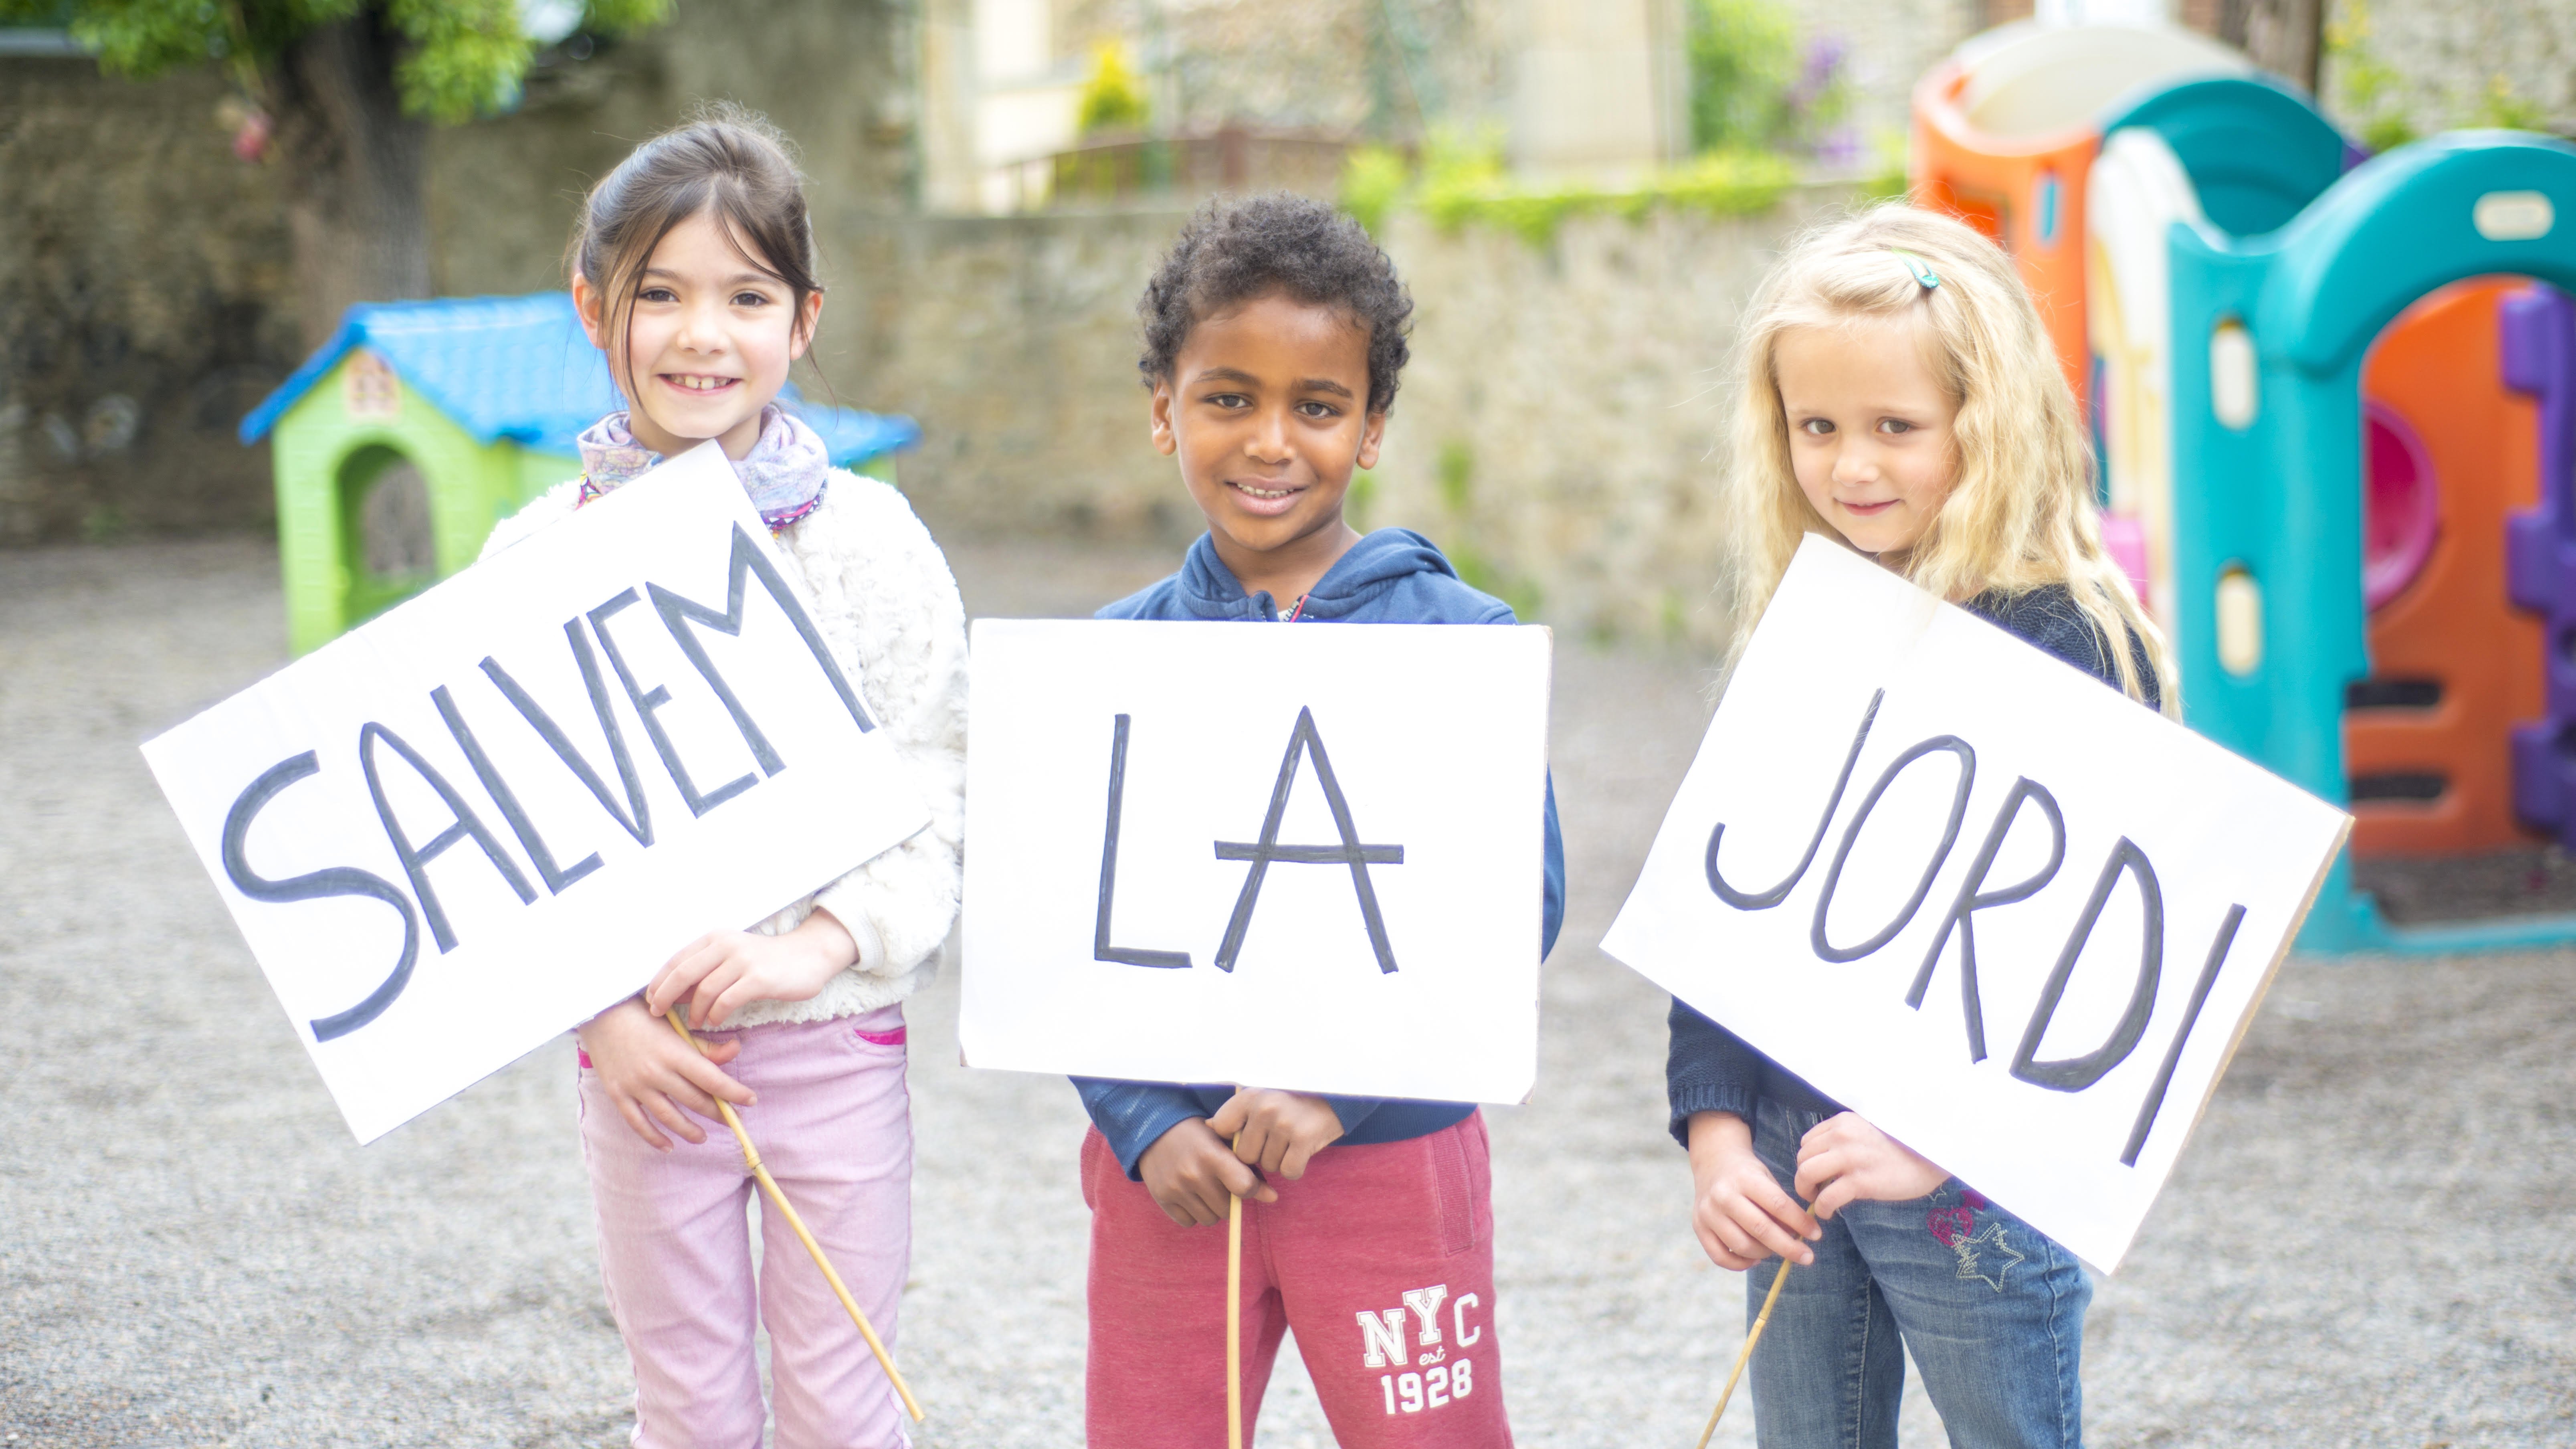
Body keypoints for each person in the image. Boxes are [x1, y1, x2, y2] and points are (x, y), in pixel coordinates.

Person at [479, 108, 964, 1449]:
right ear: (596, 309)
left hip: (832, 1047)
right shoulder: (530, 561)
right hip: (646, 1067)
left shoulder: (870, 542)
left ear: (802, 320)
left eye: (745, 296)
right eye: (664, 296)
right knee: (686, 1402)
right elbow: (506, 826)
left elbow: (937, 767)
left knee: (842, 1396)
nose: (704, 335)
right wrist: (602, 1017)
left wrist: (820, 945)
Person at [1668, 204, 2174, 1449]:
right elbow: (1727, 906)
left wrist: (1935, 1136)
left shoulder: (2068, 641)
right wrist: (1717, 1132)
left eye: (1895, 428)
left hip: (1972, 1187)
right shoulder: (1806, 621)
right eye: (1816, 428)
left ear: (1985, 422)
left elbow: (2082, 952)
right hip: (1792, 1151)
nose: (1850, 467)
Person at [1074, 192, 1566, 1449]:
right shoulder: (1108, 661)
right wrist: (1140, 1121)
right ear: (1161, 410)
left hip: (1390, 1159)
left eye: (1318, 404)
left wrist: (1341, 1092)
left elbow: (1518, 903)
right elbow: (1057, 922)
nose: (1270, 440)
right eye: (1228, 397)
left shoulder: (1461, 643)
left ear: (1374, 426)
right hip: (1174, 1174)